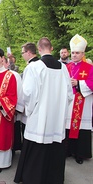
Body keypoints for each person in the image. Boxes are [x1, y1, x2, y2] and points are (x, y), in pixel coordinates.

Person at [14, 37, 73, 184]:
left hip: (40, 118)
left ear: (39, 49)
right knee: (55, 147)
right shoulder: (63, 68)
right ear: (52, 48)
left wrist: (30, 111)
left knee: (37, 148)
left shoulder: (34, 67)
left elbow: (28, 93)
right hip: (57, 119)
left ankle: (33, 178)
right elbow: (69, 94)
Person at [65, 34, 93, 164]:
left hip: (82, 102)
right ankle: (68, 150)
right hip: (69, 102)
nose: (74, 55)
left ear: (82, 54)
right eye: (73, 52)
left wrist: (78, 83)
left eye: (77, 53)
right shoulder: (67, 67)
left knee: (81, 128)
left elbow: (92, 83)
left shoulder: (89, 68)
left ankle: (80, 154)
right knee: (67, 126)